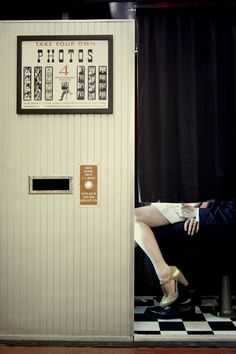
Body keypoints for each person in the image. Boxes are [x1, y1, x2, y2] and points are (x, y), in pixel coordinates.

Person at [134, 199, 236, 314]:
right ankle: (170, 280)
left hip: (222, 228)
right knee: (135, 221)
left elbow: (232, 212)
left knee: (141, 224)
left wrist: (197, 213)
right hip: (206, 213)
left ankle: (179, 297)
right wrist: (198, 205)